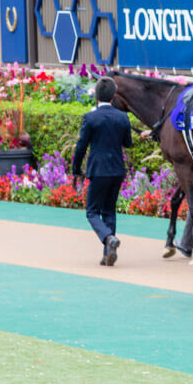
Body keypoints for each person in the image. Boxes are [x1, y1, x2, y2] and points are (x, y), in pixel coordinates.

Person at [72, 77, 130, 267]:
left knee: (92, 212)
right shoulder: (123, 117)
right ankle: (108, 253)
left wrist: (75, 169)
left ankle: (107, 238)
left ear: (96, 96)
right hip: (116, 170)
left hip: (98, 170)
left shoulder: (90, 118)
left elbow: (81, 146)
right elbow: (128, 143)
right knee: (109, 211)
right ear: (114, 96)